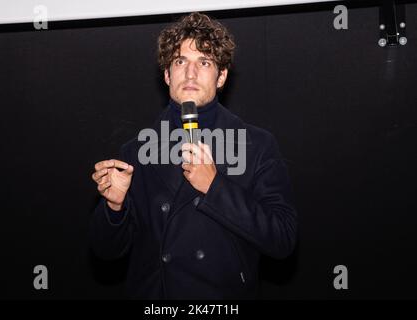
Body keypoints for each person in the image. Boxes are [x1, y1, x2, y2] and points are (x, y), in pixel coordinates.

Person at [90, 12, 297, 299]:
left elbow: (282, 239)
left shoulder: (256, 145)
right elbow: (106, 253)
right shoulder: (136, 151)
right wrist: (114, 208)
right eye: (180, 61)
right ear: (166, 74)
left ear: (221, 76)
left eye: (204, 62)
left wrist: (216, 187)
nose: (190, 73)